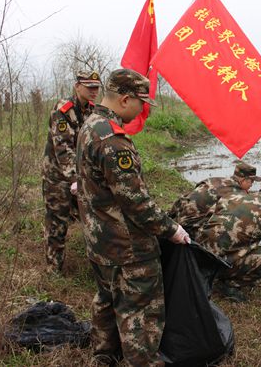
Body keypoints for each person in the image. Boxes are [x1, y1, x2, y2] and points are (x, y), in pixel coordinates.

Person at [76, 68, 190, 367]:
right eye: (142, 102)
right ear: (125, 99)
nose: (144, 109)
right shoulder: (113, 141)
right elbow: (136, 203)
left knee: (107, 299)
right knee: (139, 311)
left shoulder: (91, 124)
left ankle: (104, 357)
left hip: (99, 240)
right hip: (127, 247)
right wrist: (171, 229)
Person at [41, 70, 100, 273]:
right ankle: (53, 270)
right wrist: (74, 179)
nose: (94, 91)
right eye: (89, 87)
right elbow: (63, 147)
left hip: (81, 177)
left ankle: (97, 264)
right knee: (57, 223)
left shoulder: (92, 110)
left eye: (97, 88)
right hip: (57, 177)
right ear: (77, 87)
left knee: (92, 217)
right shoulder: (63, 109)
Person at [168, 161, 261, 238]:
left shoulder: (214, 180)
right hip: (189, 228)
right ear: (243, 180)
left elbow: (187, 197)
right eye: (251, 181)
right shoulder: (236, 193)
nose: (251, 185)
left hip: (175, 220)